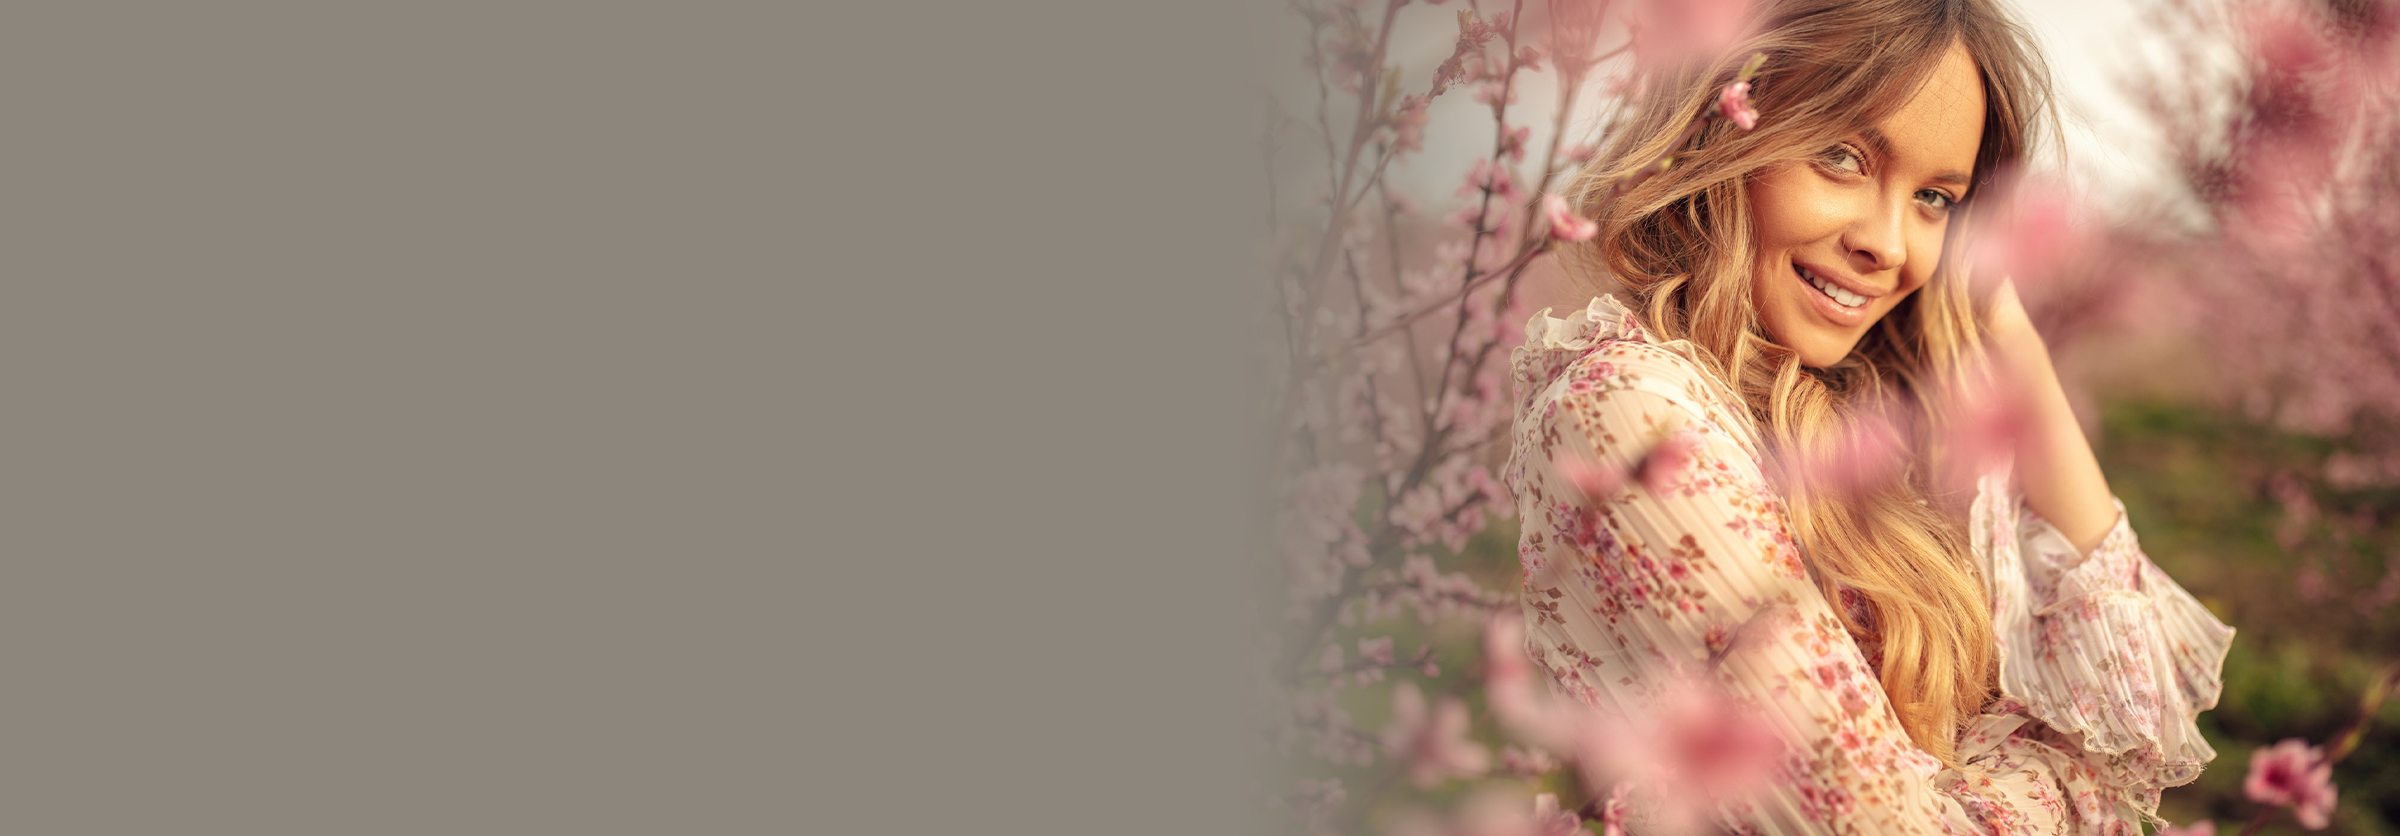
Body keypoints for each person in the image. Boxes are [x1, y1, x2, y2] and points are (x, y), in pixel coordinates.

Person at [1502, 0, 2235, 832]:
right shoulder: (1631, 415)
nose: (1889, 245)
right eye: (1842, 155)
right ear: (1723, 127)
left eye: (1935, 198)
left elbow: (2136, 673)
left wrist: (2000, 318)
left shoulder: (1862, 429)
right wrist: (2071, 753)